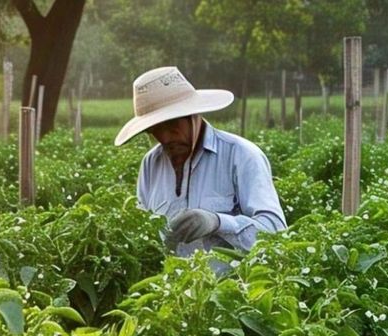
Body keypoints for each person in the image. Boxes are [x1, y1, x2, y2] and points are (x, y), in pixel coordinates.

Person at [115, 66, 287, 257]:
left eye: (172, 125)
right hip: (168, 285)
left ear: (194, 115)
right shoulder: (150, 164)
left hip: (232, 285)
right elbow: (145, 235)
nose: (165, 138)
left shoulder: (241, 155)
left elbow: (275, 231)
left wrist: (217, 222)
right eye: (155, 130)